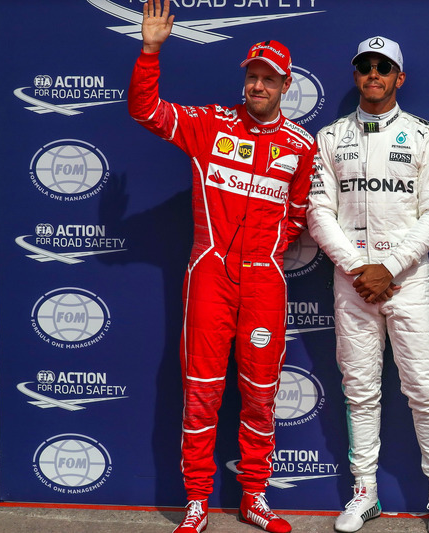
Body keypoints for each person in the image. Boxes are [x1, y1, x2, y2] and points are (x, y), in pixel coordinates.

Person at [128, 1, 316, 532]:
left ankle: (253, 496)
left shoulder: (301, 146)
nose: (257, 86)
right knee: (203, 390)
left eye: (268, 80)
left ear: (285, 86)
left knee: (261, 393)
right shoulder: (210, 125)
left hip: (263, 282)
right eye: (252, 77)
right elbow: (146, 111)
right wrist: (150, 50)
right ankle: (196, 500)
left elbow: (300, 213)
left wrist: (268, 251)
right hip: (209, 274)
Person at [307, 36, 429, 533]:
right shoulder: (329, 139)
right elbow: (318, 212)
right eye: (365, 67)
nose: (374, 74)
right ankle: (364, 491)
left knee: (424, 390)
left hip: (408, 281)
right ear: (356, 76)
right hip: (353, 283)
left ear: (399, 77)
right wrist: (358, 268)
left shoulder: (425, 135)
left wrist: (389, 266)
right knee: (359, 390)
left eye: (383, 67)